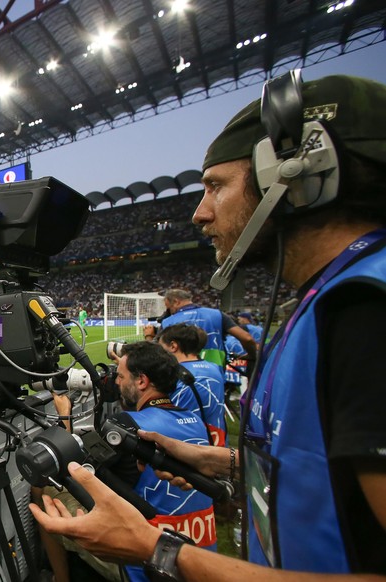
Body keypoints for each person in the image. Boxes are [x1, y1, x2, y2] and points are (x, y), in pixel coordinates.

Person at [30, 73, 386, 578]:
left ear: (296, 175)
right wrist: (217, 463)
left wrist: (156, 549)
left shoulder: (364, 312)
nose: (199, 213)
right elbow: (324, 479)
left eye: (216, 186)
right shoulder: (329, 304)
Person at [36, 341, 217, 582]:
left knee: (43, 488)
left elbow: (78, 470)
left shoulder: (129, 424)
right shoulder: (194, 419)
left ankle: (60, 578)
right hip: (201, 551)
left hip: (150, 561)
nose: (116, 382)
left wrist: (65, 417)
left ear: (141, 381)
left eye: (120, 376)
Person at [157, 323, 227, 446]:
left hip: (187, 446)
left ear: (173, 346)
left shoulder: (171, 374)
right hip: (216, 441)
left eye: (161, 347)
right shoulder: (215, 368)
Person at [160, 289, 257, 368]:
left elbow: (160, 352)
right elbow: (246, 338)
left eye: (169, 308)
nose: (170, 312)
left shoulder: (167, 322)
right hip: (215, 373)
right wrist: (252, 356)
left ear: (176, 302)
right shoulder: (217, 314)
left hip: (181, 374)